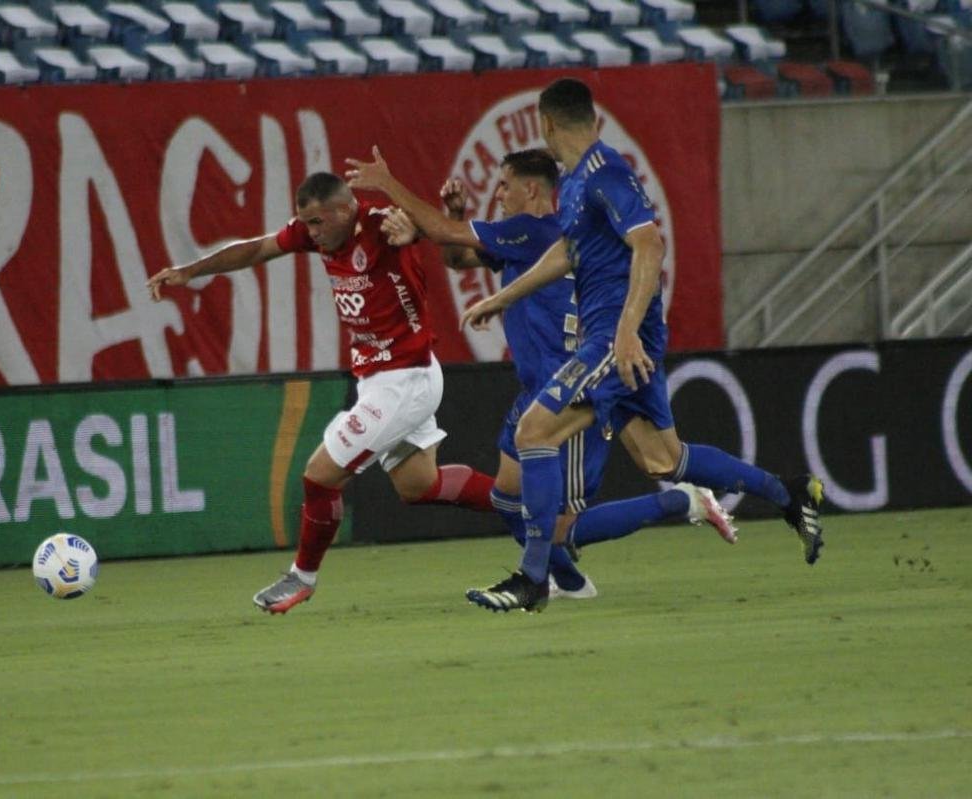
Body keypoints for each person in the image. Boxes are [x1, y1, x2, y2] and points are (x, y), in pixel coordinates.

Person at [454, 78, 824, 612]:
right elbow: (568, 253)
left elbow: (649, 241)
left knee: (535, 432)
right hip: (621, 336)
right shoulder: (582, 182)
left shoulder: (606, 174)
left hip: (612, 336)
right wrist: (504, 296)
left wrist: (625, 331)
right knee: (663, 458)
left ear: (547, 123)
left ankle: (532, 579)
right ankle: (790, 494)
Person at [348, 148, 737, 609]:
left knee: (556, 528)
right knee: (509, 501)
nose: (498, 193)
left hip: (566, 392)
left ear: (532, 189)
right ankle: (569, 581)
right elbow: (456, 256)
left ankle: (683, 502)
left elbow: (445, 235)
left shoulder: (537, 231)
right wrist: (455, 216)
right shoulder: (520, 239)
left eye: (505, 185)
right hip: (533, 393)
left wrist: (389, 185)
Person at [147, 172, 498, 614]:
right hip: (381, 380)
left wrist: (434, 221)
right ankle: (529, 508)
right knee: (418, 485)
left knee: (319, 475)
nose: (309, 234)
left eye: (316, 223)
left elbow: (438, 240)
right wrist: (190, 271)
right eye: (305, 224)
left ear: (345, 211)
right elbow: (256, 248)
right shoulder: (318, 237)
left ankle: (302, 577)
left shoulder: (384, 225)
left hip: (405, 379)